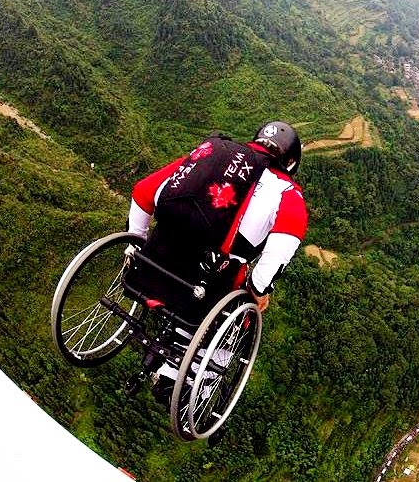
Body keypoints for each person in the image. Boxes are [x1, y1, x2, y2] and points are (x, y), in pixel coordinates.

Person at [125, 121, 307, 404]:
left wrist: (136, 244)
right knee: (243, 313)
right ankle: (197, 379)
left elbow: (143, 192)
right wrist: (259, 290)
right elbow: (282, 247)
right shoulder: (288, 193)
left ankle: (174, 356)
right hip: (208, 281)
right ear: (291, 162)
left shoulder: (214, 157)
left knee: (196, 278)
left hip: (154, 260)